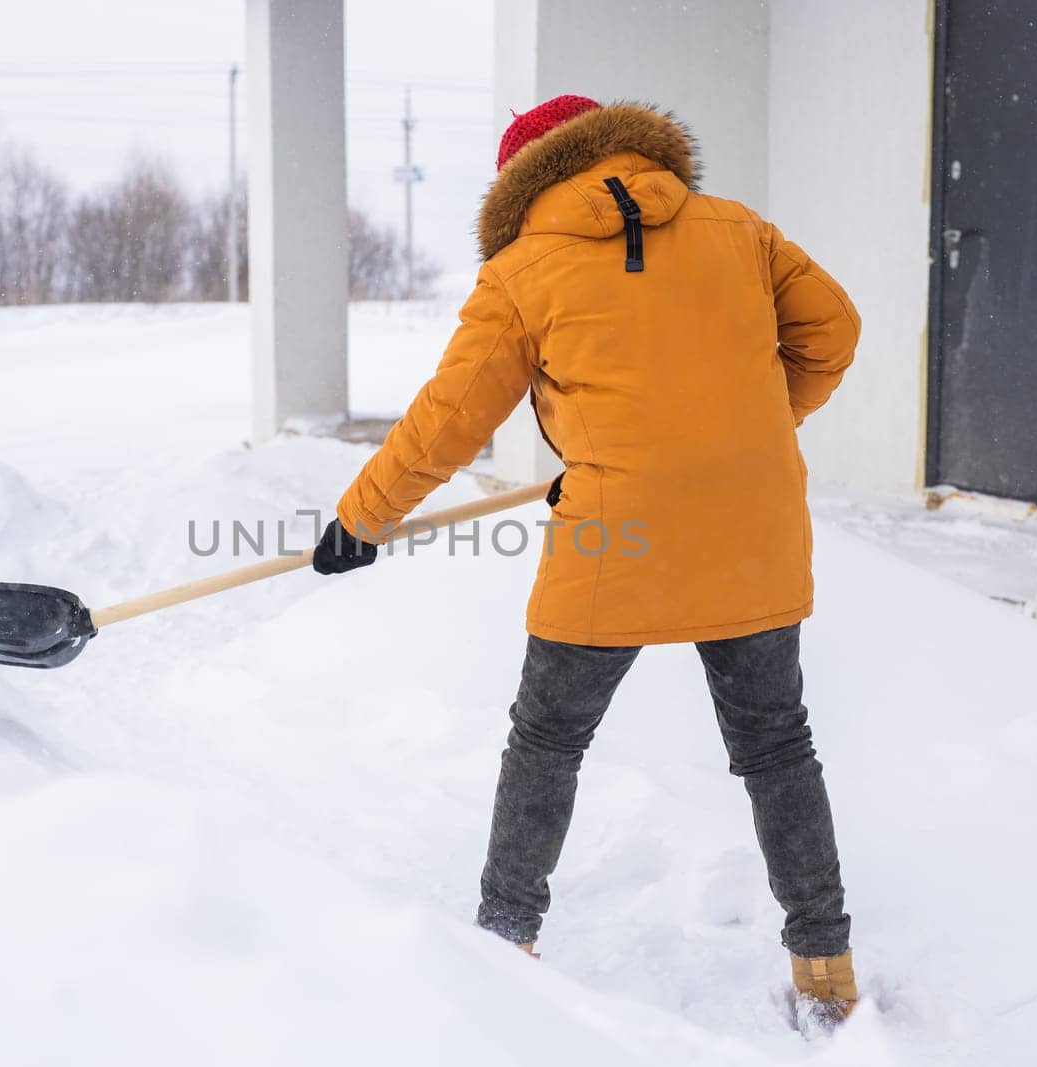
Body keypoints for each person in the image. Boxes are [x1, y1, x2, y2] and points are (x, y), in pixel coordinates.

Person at [312, 96, 861, 1022]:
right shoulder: (739, 230)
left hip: (620, 540)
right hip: (755, 531)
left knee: (547, 738)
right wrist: (745, 435)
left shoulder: (525, 270)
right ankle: (826, 964)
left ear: (523, 181)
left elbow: (448, 420)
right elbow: (834, 332)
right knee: (776, 745)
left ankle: (503, 938)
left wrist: (364, 516)